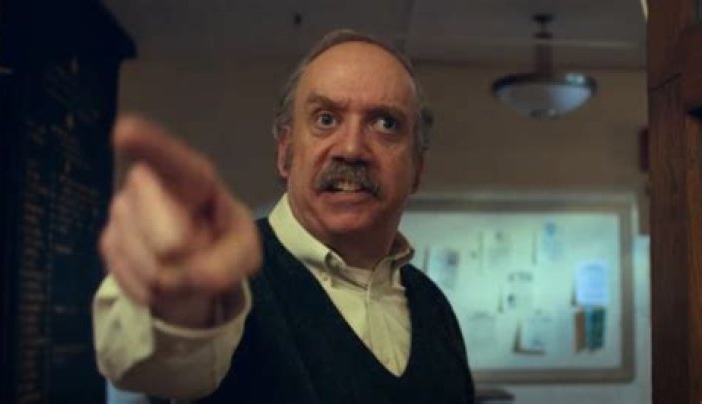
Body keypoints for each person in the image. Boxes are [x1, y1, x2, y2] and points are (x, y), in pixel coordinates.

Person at [93, 29, 475, 403]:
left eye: (385, 123)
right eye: (326, 119)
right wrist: (180, 309)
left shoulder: (434, 306)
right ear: (285, 153)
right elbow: (154, 365)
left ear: (417, 169)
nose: (351, 148)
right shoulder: (229, 281)